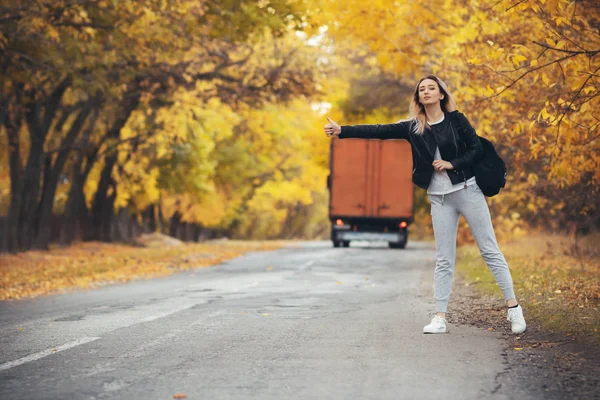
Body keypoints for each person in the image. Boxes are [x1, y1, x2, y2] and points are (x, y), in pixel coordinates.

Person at [324, 75, 526, 335]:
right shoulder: (413, 127)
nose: (426, 92)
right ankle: (440, 317)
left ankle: (514, 309)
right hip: (439, 198)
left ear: (441, 94)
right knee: (444, 259)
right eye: (422, 89)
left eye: (432, 88)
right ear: (418, 97)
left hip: (467, 191)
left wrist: (452, 164)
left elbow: (476, 149)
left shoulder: (456, 120)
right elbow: (380, 130)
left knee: (489, 250)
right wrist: (343, 131)